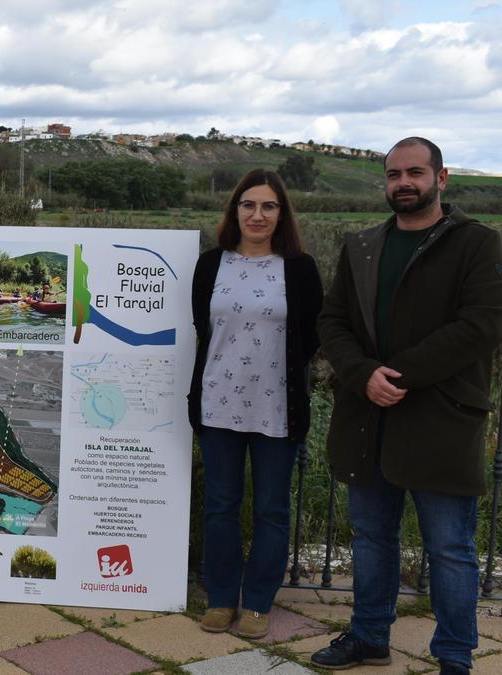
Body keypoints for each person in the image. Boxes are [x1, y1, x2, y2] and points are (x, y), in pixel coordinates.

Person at [311, 138, 502, 674]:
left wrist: (398, 375)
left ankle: (454, 657)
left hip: (441, 418)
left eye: (415, 172)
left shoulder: (478, 244)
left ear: (441, 178)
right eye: (394, 174)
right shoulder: (363, 245)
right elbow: (333, 321)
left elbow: (482, 325)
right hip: (367, 416)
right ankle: (369, 638)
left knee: (450, 549)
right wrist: (362, 373)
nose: (403, 183)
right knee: (372, 538)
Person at [187, 169, 322, 639]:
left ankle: (260, 601)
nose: (257, 215)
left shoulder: (299, 268)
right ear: (235, 211)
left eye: (268, 206)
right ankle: (222, 600)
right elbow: (205, 331)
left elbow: (310, 338)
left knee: (271, 509)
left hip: (276, 408)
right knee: (221, 506)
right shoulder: (210, 265)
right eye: (248, 205)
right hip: (218, 404)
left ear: (281, 214)